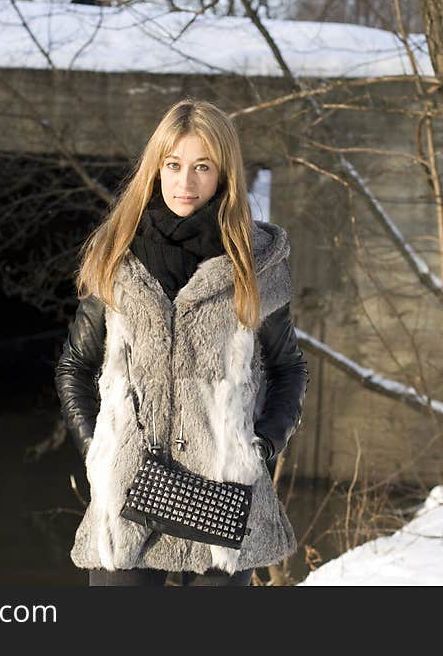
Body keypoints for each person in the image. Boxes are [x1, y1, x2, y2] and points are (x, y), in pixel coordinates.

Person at [54, 99, 308, 587]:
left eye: (201, 167)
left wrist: (259, 449)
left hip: (221, 499)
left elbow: (288, 368)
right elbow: (75, 367)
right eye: (173, 165)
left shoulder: (255, 265)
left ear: (223, 175)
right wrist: (98, 452)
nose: (185, 183)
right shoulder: (115, 257)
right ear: (156, 169)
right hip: (127, 498)